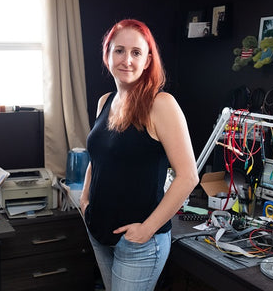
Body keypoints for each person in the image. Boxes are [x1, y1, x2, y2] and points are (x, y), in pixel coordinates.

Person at [80, 19, 199, 291]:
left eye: (136, 53)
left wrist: (146, 229)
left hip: (140, 243)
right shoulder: (105, 101)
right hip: (99, 231)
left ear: (147, 61)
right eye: (119, 50)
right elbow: (97, 159)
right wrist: (84, 200)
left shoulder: (161, 104)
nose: (127, 60)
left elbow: (188, 177)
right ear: (107, 54)